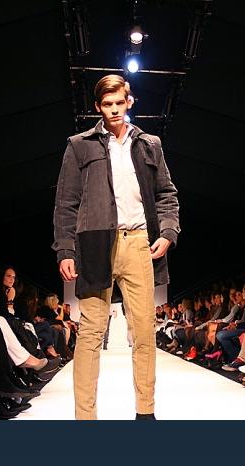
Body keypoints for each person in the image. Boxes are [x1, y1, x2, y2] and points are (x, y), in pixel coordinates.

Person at [52, 74, 180, 420]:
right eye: (106, 104)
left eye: (119, 102)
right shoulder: (80, 145)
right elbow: (66, 202)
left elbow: (167, 194)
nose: (113, 109)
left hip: (139, 242)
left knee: (144, 331)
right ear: (98, 106)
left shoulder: (150, 144)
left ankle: (145, 414)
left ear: (129, 102)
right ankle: (86, 419)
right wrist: (65, 250)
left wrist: (168, 232)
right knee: (91, 332)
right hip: (95, 244)